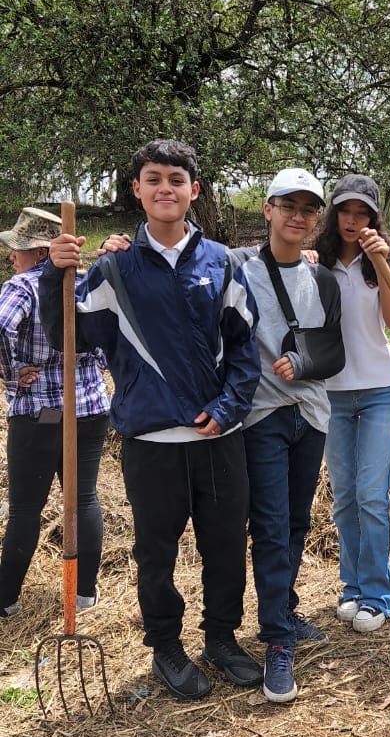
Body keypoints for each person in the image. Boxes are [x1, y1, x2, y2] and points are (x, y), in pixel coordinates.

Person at [39, 139, 262, 701]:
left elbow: (244, 351)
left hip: (219, 437)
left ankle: (221, 639)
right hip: (152, 441)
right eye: (154, 179)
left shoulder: (223, 262)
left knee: (226, 545)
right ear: (136, 190)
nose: (166, 188)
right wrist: (54, 276)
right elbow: (68, 338)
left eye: (177, 179)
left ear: (195, 191)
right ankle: (166, 648)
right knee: (155, 553)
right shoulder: (113, 270)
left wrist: (230, 407)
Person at [234, 168, 345, 704]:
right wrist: (119, 246)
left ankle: (283, 610)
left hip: (313, 416)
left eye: (308, 209)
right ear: (267, 209)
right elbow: (178, 257)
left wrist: (302, 361)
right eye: (288, 206)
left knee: (297, 520)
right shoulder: (237, 265)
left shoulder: (322, 278)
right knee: (272, 525)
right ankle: (277, 641)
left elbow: (332, 352)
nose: (297, 216)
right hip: (261, 416)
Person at [0, 207, 110, 620]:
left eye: (19, 249)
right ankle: (85, 594)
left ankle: (5, 599)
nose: (13, 257)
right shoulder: (88, 282)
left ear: (42, 253)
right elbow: (106, 336)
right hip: (91, 407)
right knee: (84, 497)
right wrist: (96, 364)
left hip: (40, 412)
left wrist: (12, 373)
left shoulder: (23, 287)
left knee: (27, 506)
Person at [314, 175, 390, 632]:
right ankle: (351, 586)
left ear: (373, 217)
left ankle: (379, 593)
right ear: (334, 215)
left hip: (380, 391)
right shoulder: (317, 263)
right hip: (330, 393)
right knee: (344, 497)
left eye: (362, 213)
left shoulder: (382, 262)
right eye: (345, 211)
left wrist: (381, 263)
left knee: (372, 495)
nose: (353, 220)